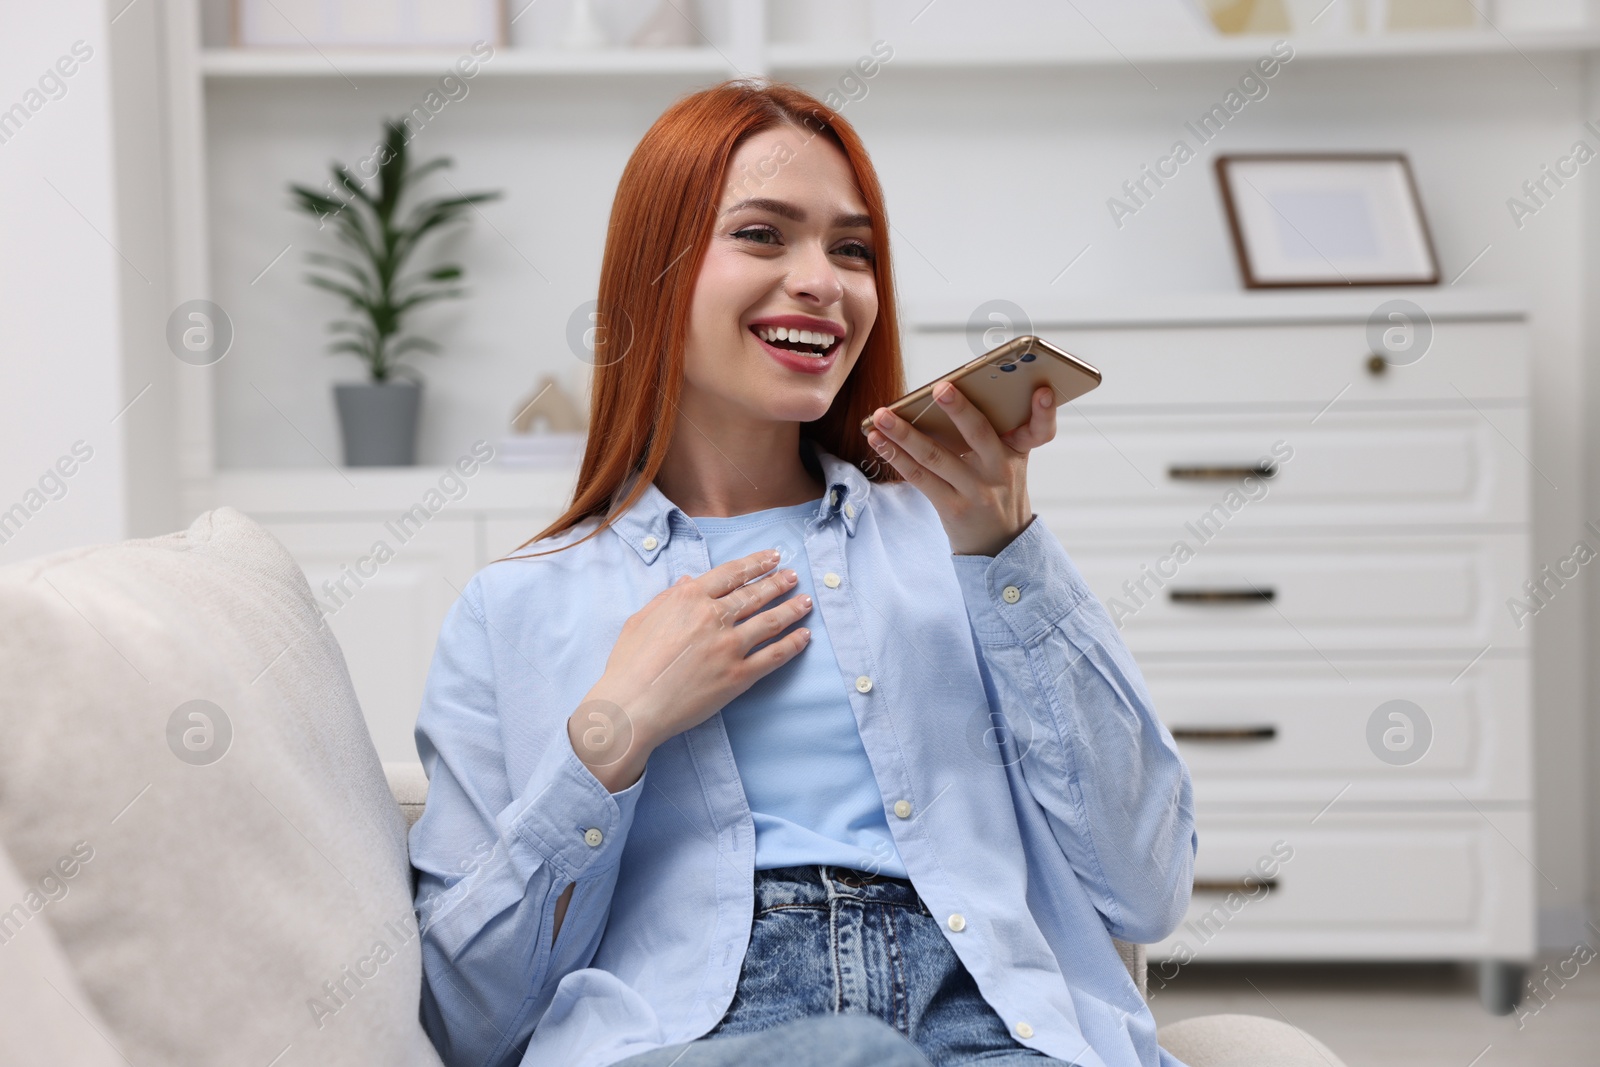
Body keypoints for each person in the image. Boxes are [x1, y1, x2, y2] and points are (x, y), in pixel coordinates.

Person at [408, 79, 1196, 1067]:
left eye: (852, 248)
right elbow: (462, 1020)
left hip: (990, 1020)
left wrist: (1011, 563)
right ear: (654, 271)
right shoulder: (516, 607)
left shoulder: (962, 544)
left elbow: (1149, 885)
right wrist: (614, 728)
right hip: (700, 1035)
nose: (823, 280)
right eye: (764, 235)